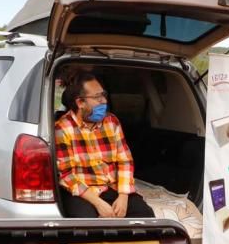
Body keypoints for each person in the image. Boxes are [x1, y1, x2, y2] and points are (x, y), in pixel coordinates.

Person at [54, 71, 155, 218]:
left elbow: (125, 161)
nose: (104, 101)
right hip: (83, 193)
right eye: (97, 97)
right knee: (87, 224)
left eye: (103, 95)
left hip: (111, 188)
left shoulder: (112, 122)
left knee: (146, 215)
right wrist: (98, 204)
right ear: (80, 103)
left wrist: (123, 196)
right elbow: (66, 176)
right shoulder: (62, 129)